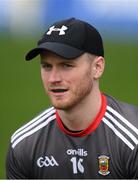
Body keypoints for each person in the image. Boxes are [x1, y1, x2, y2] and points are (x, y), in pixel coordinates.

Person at [6, 18, 138, 179]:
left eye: (66, 65)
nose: (53, 78)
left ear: (97, 68)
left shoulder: (132, 141)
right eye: (47, 66)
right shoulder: (24, 145)